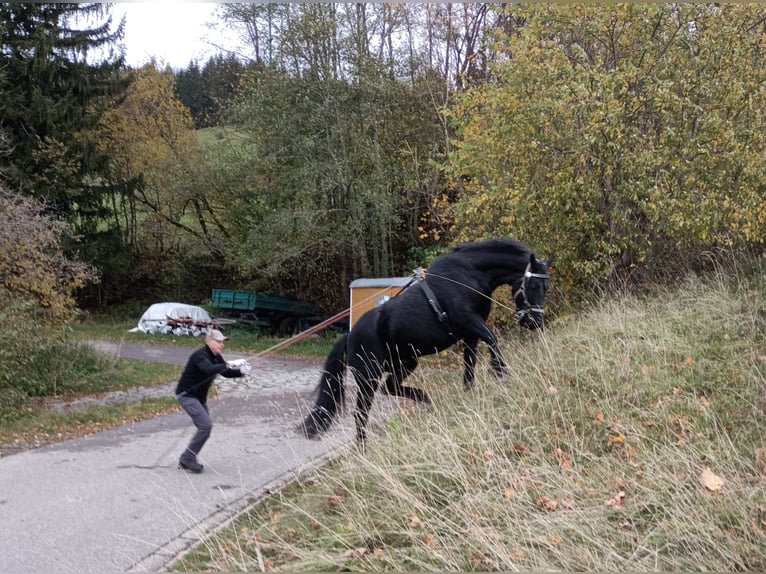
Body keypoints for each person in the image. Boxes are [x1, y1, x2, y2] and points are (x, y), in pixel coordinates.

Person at [175, 328, 249, 473]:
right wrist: (228, 364)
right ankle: (187, 458)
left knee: (205, 428)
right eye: (218, 341)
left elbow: (224, 372)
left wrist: (240, 372)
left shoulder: (216, 356)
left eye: (223, 342)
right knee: (205, 426)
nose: (222, 345)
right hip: (187, 395)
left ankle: (187, 458)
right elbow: (208, 369)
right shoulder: (200, 356)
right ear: (209, 342)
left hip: (199, 397)